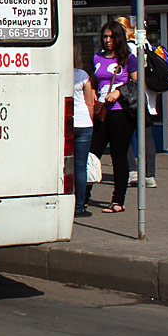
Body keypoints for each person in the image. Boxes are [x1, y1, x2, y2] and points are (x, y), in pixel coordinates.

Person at [88, 20, 138, 213]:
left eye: (111, 37)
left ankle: (118, 200)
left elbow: (136, 83)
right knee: (93, 154)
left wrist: (118, 92)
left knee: (118, 155)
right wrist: (91, 93)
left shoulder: (128, 59)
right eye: (105, 37)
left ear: (119, 38)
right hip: (101, 112)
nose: (107, 40)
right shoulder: (97, 57)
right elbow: (93, 80)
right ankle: (83, 198)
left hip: (121, 112)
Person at [115, 16, 159, 188]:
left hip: (130, 98)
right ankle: (149, 175)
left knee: (124, 135)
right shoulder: (145, 44)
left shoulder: (126, 49)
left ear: (126, 30)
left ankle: (132, 172)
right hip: (147, 97)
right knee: (146, 136)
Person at [73, 47, 97, 218]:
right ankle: (79, 206)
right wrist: (91, 121)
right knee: (81, 166)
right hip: (83, 123)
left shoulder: (58, 73)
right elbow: (89, 103)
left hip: (66, 122)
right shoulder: (82, 76)